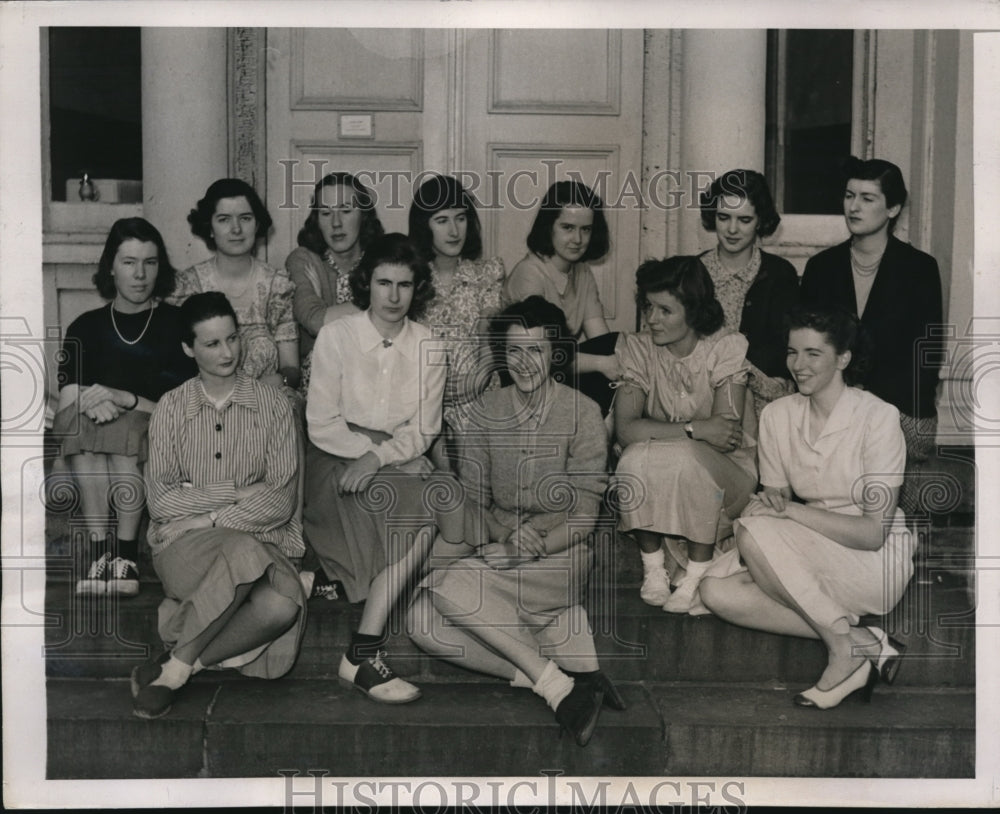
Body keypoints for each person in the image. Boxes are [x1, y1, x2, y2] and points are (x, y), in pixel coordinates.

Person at [407, 296, 622, 747]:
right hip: (500, 552)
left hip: (560, 556)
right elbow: (476, 501)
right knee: (419, 622)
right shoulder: (485, 411)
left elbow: (585, 517)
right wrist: (506, 535)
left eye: (537, 350)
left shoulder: (583, 413)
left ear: (556, 353)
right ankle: (552, 680)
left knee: (446, 587)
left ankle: (554, 680)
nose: (524, 363)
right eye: (515, 351)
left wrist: (528, 544)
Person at [699, 307, 912, 710]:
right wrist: (778, 511)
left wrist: (790, 513)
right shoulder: (779, 415)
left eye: (813, 354)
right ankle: (860, 641)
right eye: (793, 353)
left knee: (750, 532)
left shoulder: (878, 418)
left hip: (874, 559)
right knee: (716, 592)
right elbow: (773, 502)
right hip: (811, 546)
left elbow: (871, 533)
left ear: (843, 358)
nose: (799, 365)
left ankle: (841, 650)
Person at [303, 233, 465, 704]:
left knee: (429, 509)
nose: (394, 297)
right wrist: (371, 452)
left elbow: (425, 429)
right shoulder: (337, 335)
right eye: (383, 283)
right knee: (414, 513)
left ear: (419, 289)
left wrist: (379, 457)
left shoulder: (430, 344)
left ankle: (360, 646)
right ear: (365, 284)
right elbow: (321, 423)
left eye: (405, 285)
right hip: (333, 458)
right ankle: (363, 650)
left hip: (392, 461)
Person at [132, 292, 306, 719]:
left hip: (254, 542)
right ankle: (176, 671)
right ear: (188, 349)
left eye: (232, 339)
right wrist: (236, 491)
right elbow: (161, 499)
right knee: (242, 547)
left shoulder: (273, 406)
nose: (227, 352)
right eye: (212, 344)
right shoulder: (171, 408)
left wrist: (203, 516)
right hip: (185, 550)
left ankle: (181, 661)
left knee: (282, 604)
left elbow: (280, 500)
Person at [54, 217, 196, 596]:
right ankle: (104, 553)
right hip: (94, 430)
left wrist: (124, 399)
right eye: (129, 262)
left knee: (118, 427)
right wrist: (94, 402)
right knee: (85, 426)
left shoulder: (176, 322)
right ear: (111, 267)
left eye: (150, 262)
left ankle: (126, 553)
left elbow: (183, 401)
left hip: (158, 429)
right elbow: (67, 394)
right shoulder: (86, 326)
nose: (140, 274)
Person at [613, 256, 758, 613]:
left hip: (730, 473)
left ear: (693, 311)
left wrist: (665, 434)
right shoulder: (639, 348)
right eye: (648, 306)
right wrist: (696, 429)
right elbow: (626, 428)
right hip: (670, 466)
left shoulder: (725, 347)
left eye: (665, 310)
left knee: (679, 455)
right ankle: (654, 567)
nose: (652, 319)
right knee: (631, 457)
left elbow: (725, 436)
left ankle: (697, 571)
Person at [799, 157, 943, 476]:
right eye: (849, 196)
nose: (854, 207)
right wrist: (842, 396)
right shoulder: (821, 268)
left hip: (899, 408)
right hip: (829, 400)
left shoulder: (919, 269)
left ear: (892, 209)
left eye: (867, 198)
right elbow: (805, 347)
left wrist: (868, 400)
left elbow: (925, 358)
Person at [407, 173, 505, 469]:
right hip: (423, 393)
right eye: (442, 220)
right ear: (425, 227)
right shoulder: (412, 278)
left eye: (460, 218)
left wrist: (478, 377)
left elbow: (489, 335)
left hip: (478, 387)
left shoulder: (486, 274)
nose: (454, 230)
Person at [169, 178, 301, 395]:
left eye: (245, 218)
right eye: (224, 219)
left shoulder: (278, 284)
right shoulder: (187, 286)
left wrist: (274, 382)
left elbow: (291, 368)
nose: (236, 229)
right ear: (209, 227)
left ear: (257, 224)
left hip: (265, 397)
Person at [502, 180, 621, 413]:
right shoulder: (529, 274)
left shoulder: (582, 272)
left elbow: (602, 339)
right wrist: (601, 363)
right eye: (568, 227)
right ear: (549, 227)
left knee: (617, 349)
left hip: (559, 370)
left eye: (585, 229)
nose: (578, 239)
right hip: (525, 374)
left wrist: (614, 358)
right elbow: (539, 354)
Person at [699, 169, 800, 414]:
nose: (732, 229)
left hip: (763, 395)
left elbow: (783, 347)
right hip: (700, 393)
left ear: (760, 222)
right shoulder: (692, 272)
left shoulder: (780, 273)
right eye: (724, 217)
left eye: (744, 220)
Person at [286, 171, 384, 391]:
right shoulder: (303, 260)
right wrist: (376, 303)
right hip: (320, 383)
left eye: (346, 211)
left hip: (376, 378)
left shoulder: (382, 259)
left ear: (363, 215)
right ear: (316, 219)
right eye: (326, 213)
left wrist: (329, 309)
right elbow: (314, 320)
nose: (336, 223)